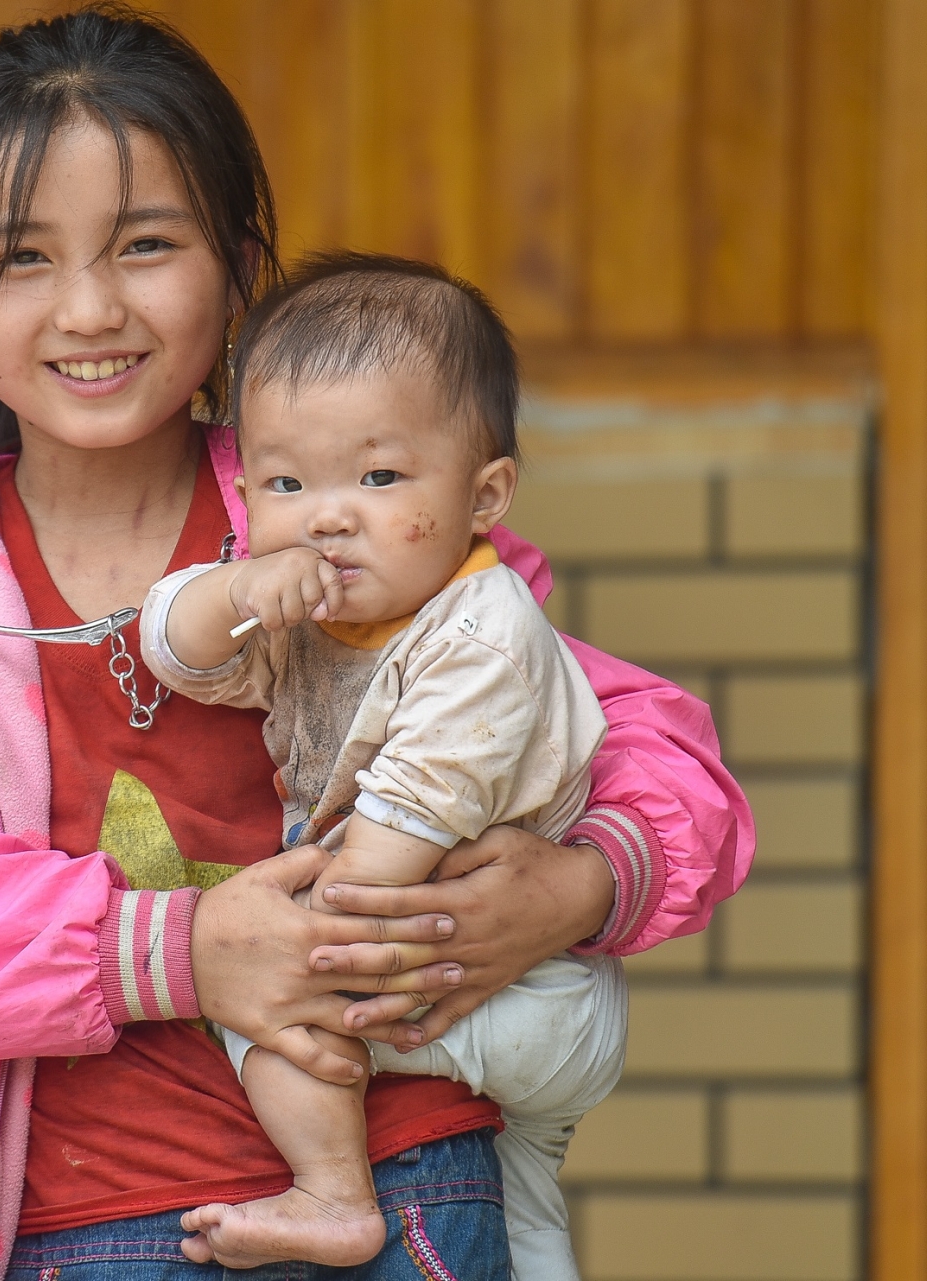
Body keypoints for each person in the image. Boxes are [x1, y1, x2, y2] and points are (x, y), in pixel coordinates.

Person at [0, 7, 754, 1279]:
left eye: (147, 244)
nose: (91, 307)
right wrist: (172, 951)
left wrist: (577, 884)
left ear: (237, 263)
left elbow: (643, 751)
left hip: (407, 1185)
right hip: (71, 1228)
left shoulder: (361, 522)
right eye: (24, 259)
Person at [142, 253, 627, 1277]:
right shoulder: (322, 619)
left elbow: (380, 868)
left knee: (267, 1009)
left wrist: (269, 961)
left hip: (526, 991)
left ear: (485, 494)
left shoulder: (484, 637)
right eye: (285, 482)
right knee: (533, 1223)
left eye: (377, 478)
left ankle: (333, 1196)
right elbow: (176, 658)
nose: (325, 516)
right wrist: (234, 595)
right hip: (493, 997)